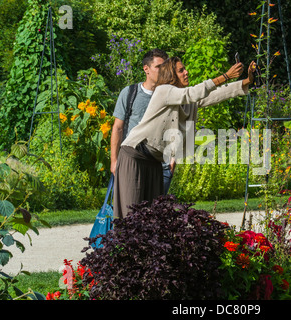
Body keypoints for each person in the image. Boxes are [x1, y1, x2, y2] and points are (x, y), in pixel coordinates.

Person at [113, 56, 256, 219]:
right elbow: (193, 93)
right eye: (181, 70)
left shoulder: (187, 100)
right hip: (134, 156)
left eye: (184, 69)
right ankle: (119, 245)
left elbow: (216, 94)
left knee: (151, 218)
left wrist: (246, 81)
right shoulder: (163, 91)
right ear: (171, 75)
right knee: (130, 216)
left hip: (154, 162)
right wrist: (225, 76)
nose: (186, 72)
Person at [110, 48, 174, 194]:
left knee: (156, 214)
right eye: (158, 67)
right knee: (129, 212)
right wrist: (114, 162)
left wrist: (172, 161)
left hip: (161, 166)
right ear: (146, 69)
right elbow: (118, 128)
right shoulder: (129, 93)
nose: (163, 71)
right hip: (132, 164)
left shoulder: (169, 95)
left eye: (165, 67)